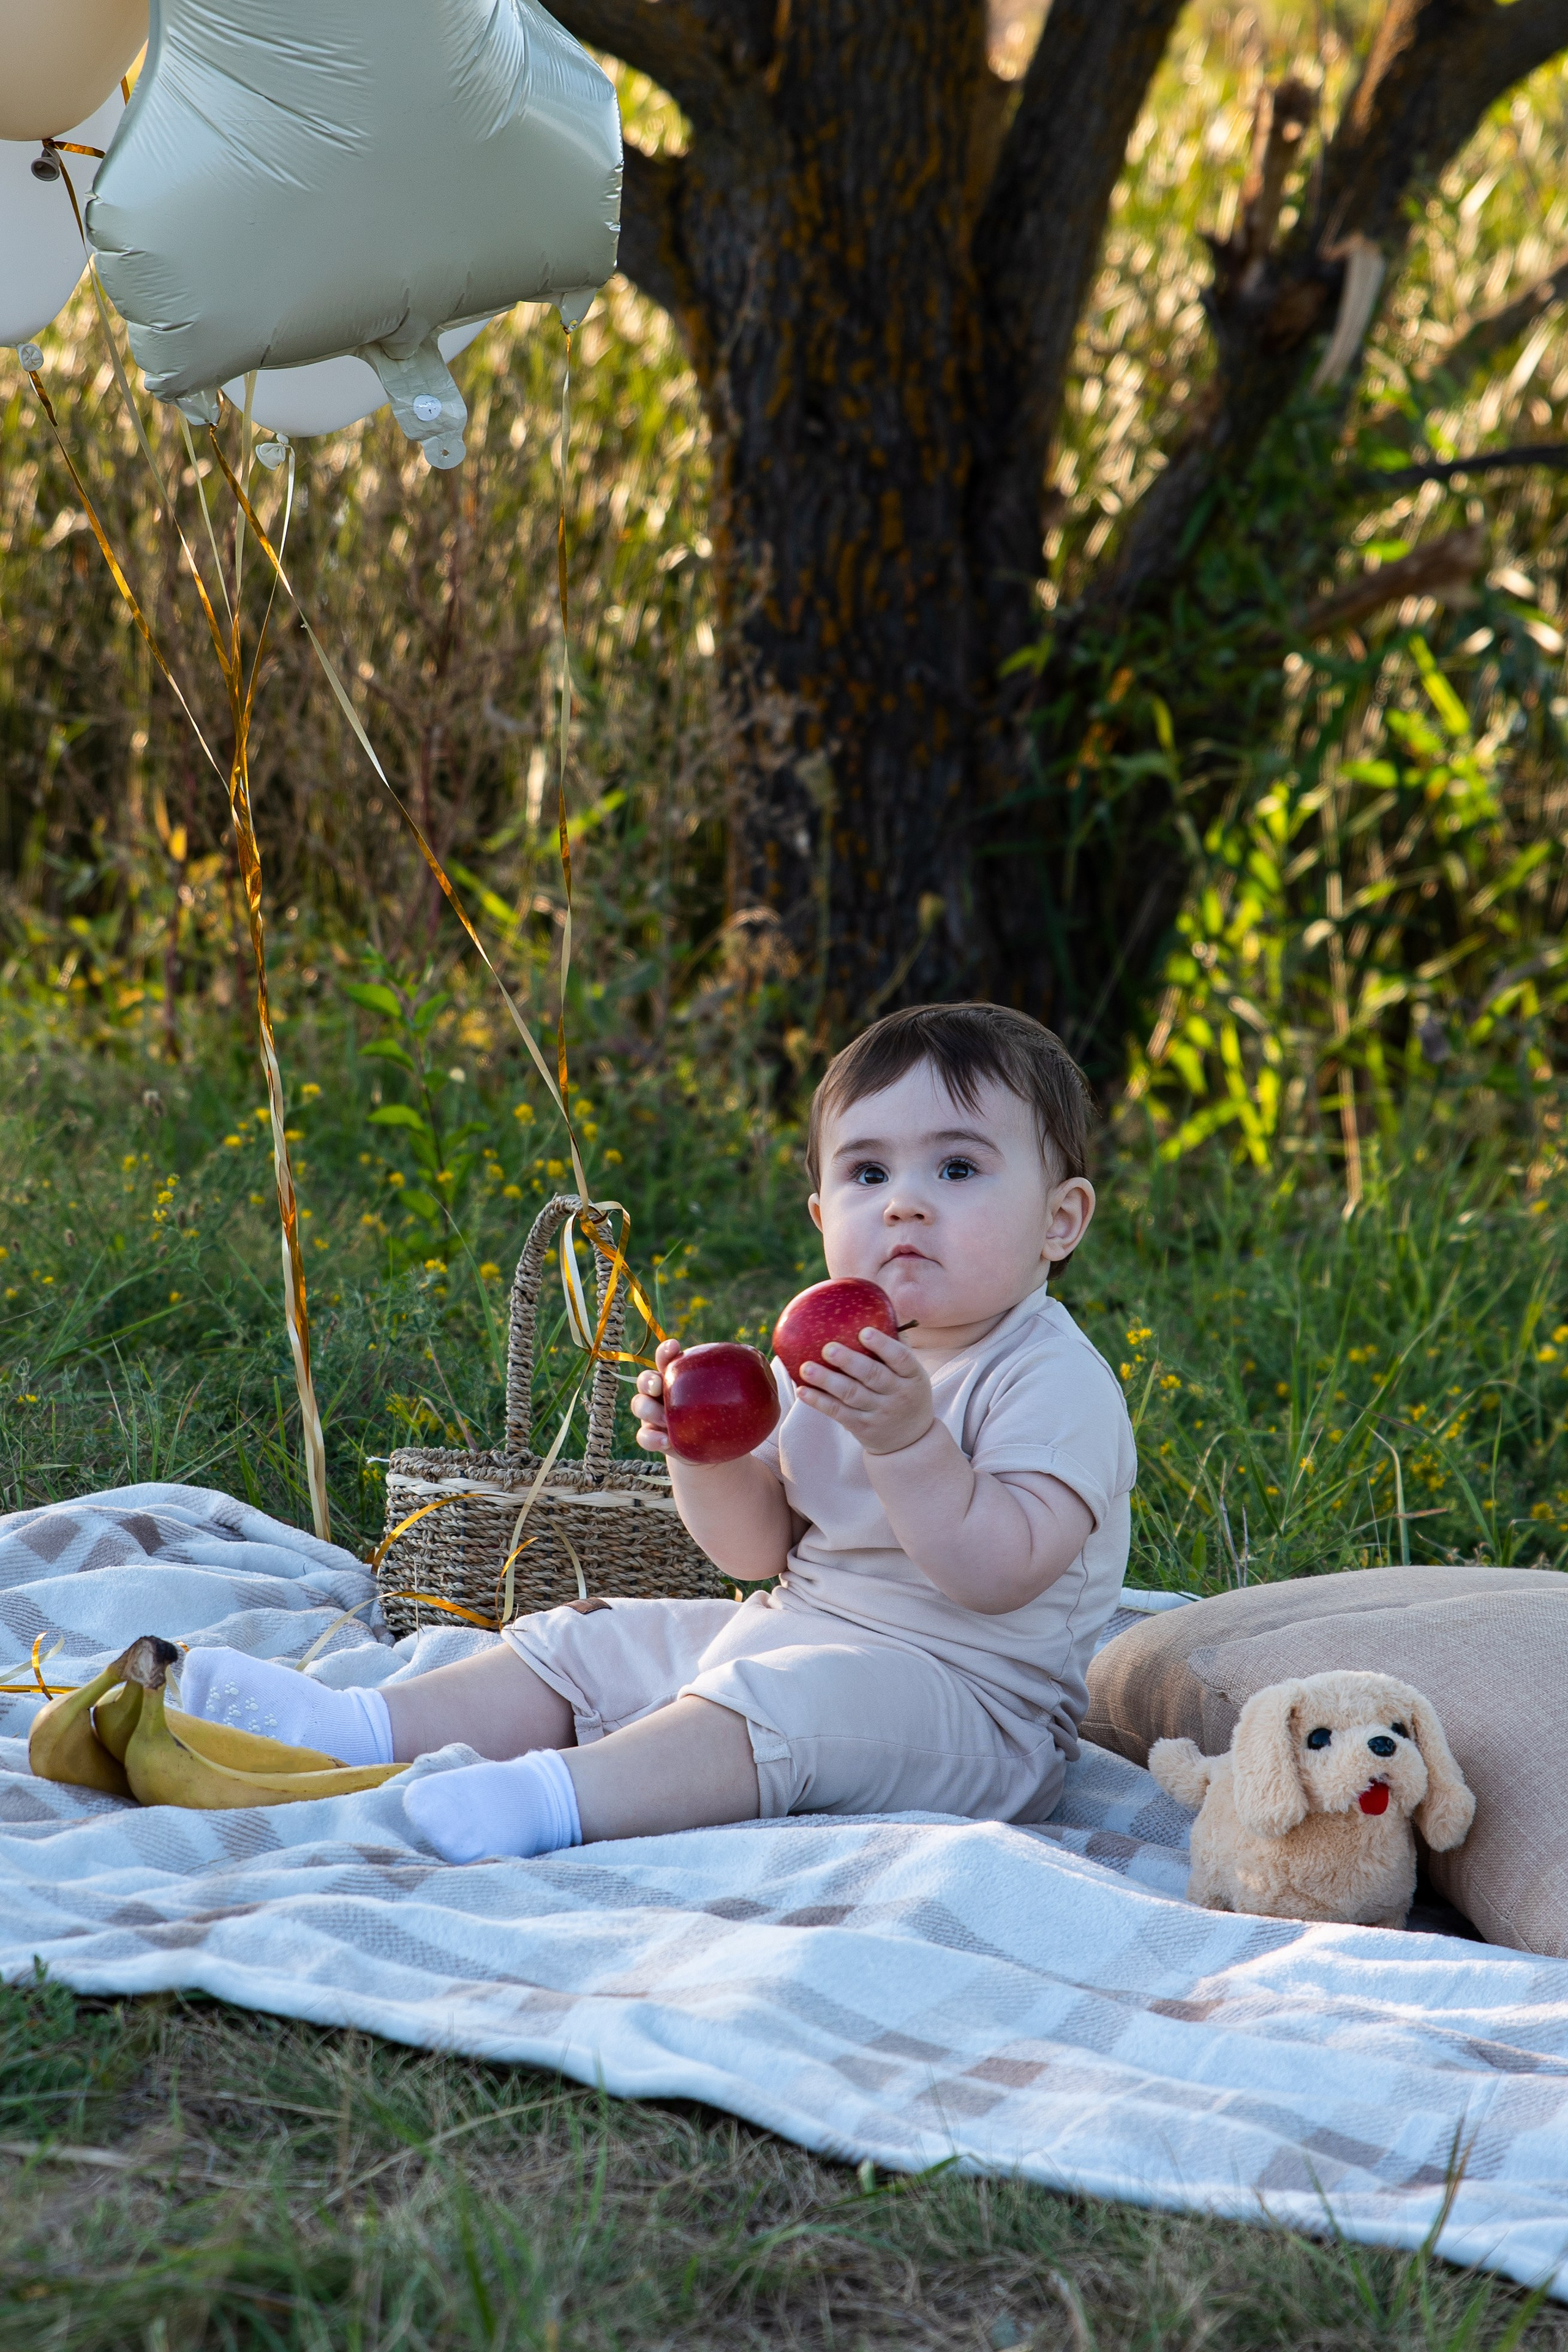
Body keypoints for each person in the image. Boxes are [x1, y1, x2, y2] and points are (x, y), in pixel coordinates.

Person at [178, 1003, 1137, 1860]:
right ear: (820, 1216)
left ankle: (555, 1800)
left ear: (1061, 1221)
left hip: (969, 1717)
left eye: (958, 1167)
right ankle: (357, 1727)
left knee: (782, 1707)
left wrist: (906, 1443)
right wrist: (708, 1454)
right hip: (793, 1631)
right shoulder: (833, 1344)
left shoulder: (1051, 1381)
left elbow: (994, 1572)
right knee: (593, 1641)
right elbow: (757, 1553)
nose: (904, 1201)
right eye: (868, 1171)